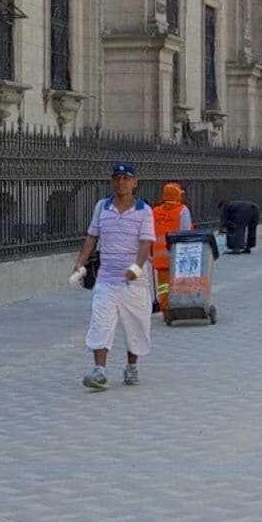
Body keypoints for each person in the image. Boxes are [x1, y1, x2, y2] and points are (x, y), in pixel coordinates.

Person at [79, 162, 159, 389]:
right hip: (106, 279)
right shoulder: (102, 207)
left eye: (126, 178)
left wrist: (137, 266)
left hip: (134, 282)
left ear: (135, 183)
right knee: (100, 322)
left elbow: (146, 243)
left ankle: (132, 366)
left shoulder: (144, 211)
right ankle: (99, 371)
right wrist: (80, 263)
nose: (121, 182)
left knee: (135, 324)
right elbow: (92, 236)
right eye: (117, 178)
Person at [148, 179, 192, 313]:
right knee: (179, 282)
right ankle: (179, 306)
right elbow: (186, 233)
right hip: (178, 255)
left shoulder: (154, 211)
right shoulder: (182, 211)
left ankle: (165, 307)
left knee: (163, 286)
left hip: (160, 257)